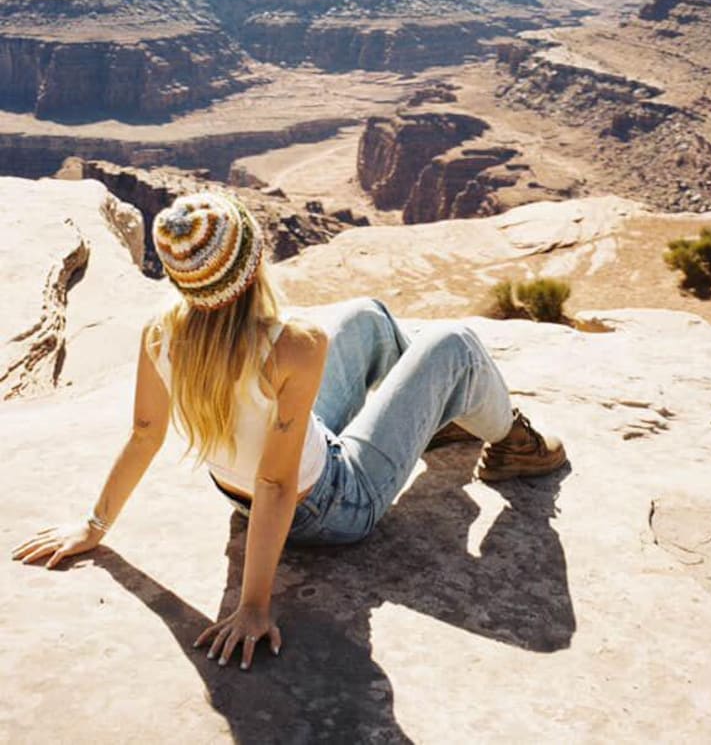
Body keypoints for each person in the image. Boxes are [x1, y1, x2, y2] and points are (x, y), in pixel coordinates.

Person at [13, 190, 567, 671]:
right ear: (253, 266)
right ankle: (515, 443)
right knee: (456, 345)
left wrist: (95, 526)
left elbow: (144, 435)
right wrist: (254, 606)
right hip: (335, 507)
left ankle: (433, 417)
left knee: (367, 317)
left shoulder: (162, 331)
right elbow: (278, 486)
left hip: (254, 492)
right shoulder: (293, 344)